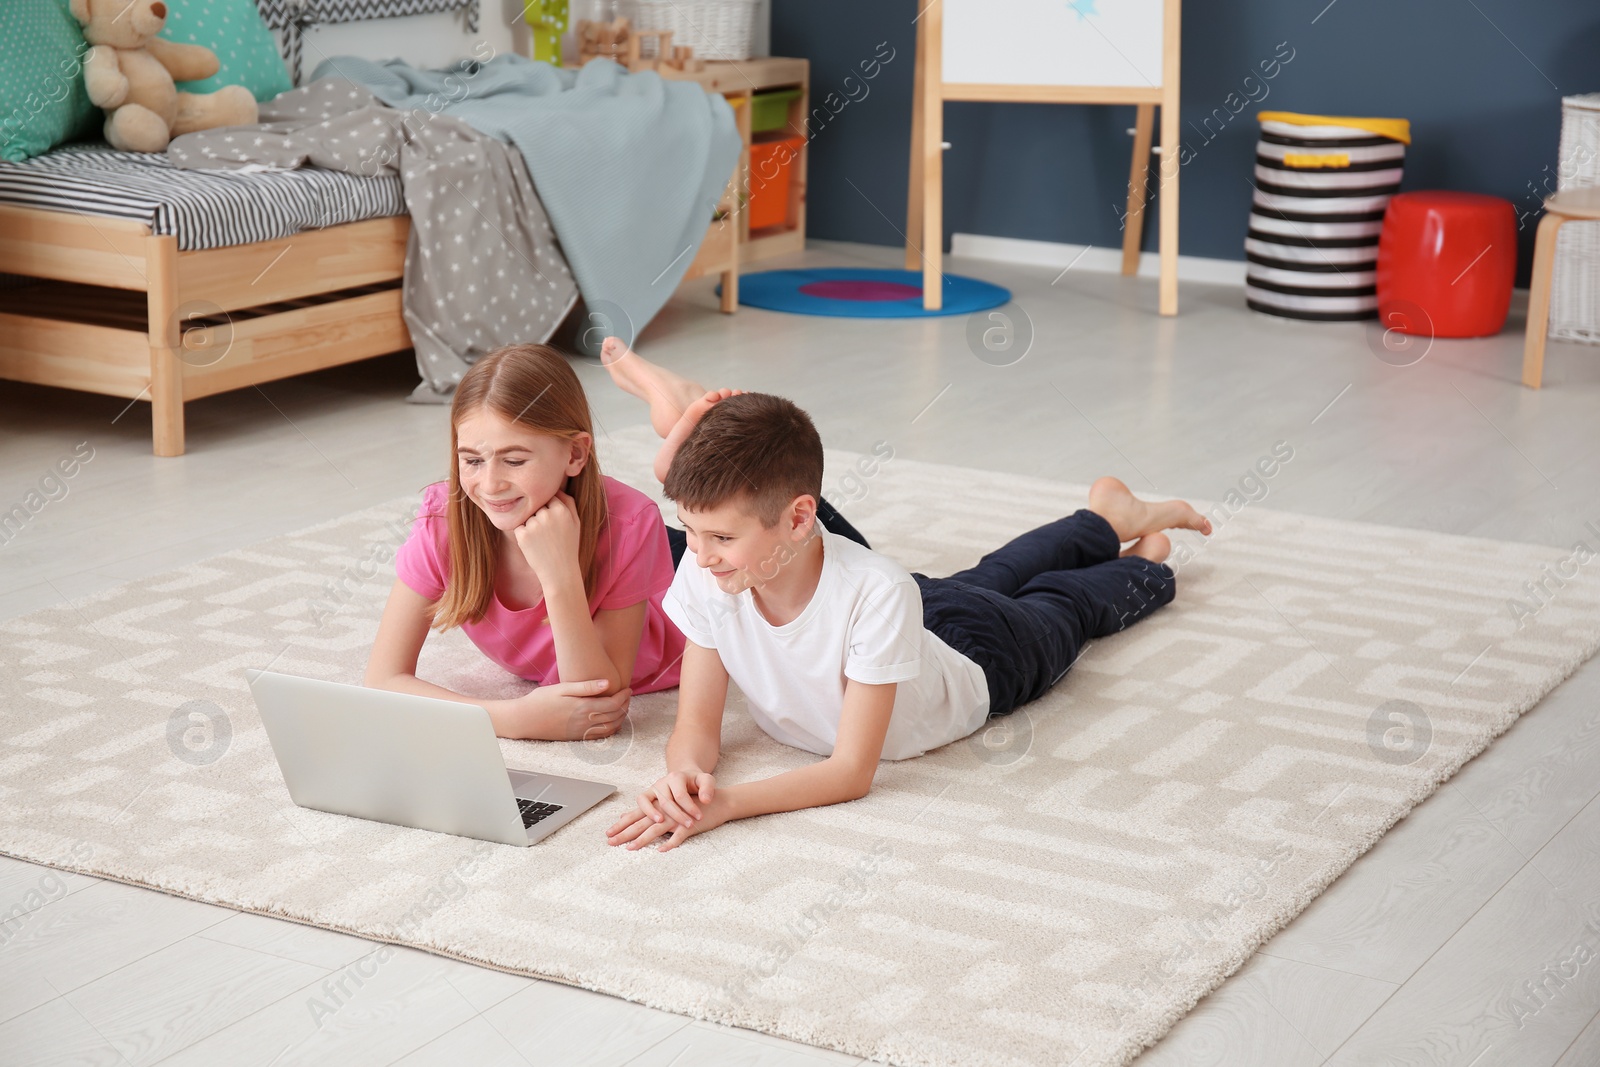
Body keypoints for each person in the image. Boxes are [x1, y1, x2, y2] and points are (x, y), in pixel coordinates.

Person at [605, 391, 1212, 851]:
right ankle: (1104, 517)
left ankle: (1147, 557)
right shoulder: (716, 571)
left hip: (982, 655)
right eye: (689, 529)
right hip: (912, 625)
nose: (698, 552)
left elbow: (850, 772)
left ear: (797, 519)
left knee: (1062, 605)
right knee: (989, 573)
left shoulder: (877, 591)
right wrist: (684, 776)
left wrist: (728, 804)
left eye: (720, 536)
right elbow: (698, 725)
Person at [365, 343, 680, 741]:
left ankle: (682, 413)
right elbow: (382, 680)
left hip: (669, 574)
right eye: (473, 461)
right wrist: (511, 718)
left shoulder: (633, 523)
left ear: (575, 453)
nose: (491, 484)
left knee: (742, 514)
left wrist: (560, 575)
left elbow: (597, 706)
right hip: (605, 529)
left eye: (514, 460)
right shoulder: (444, 519)